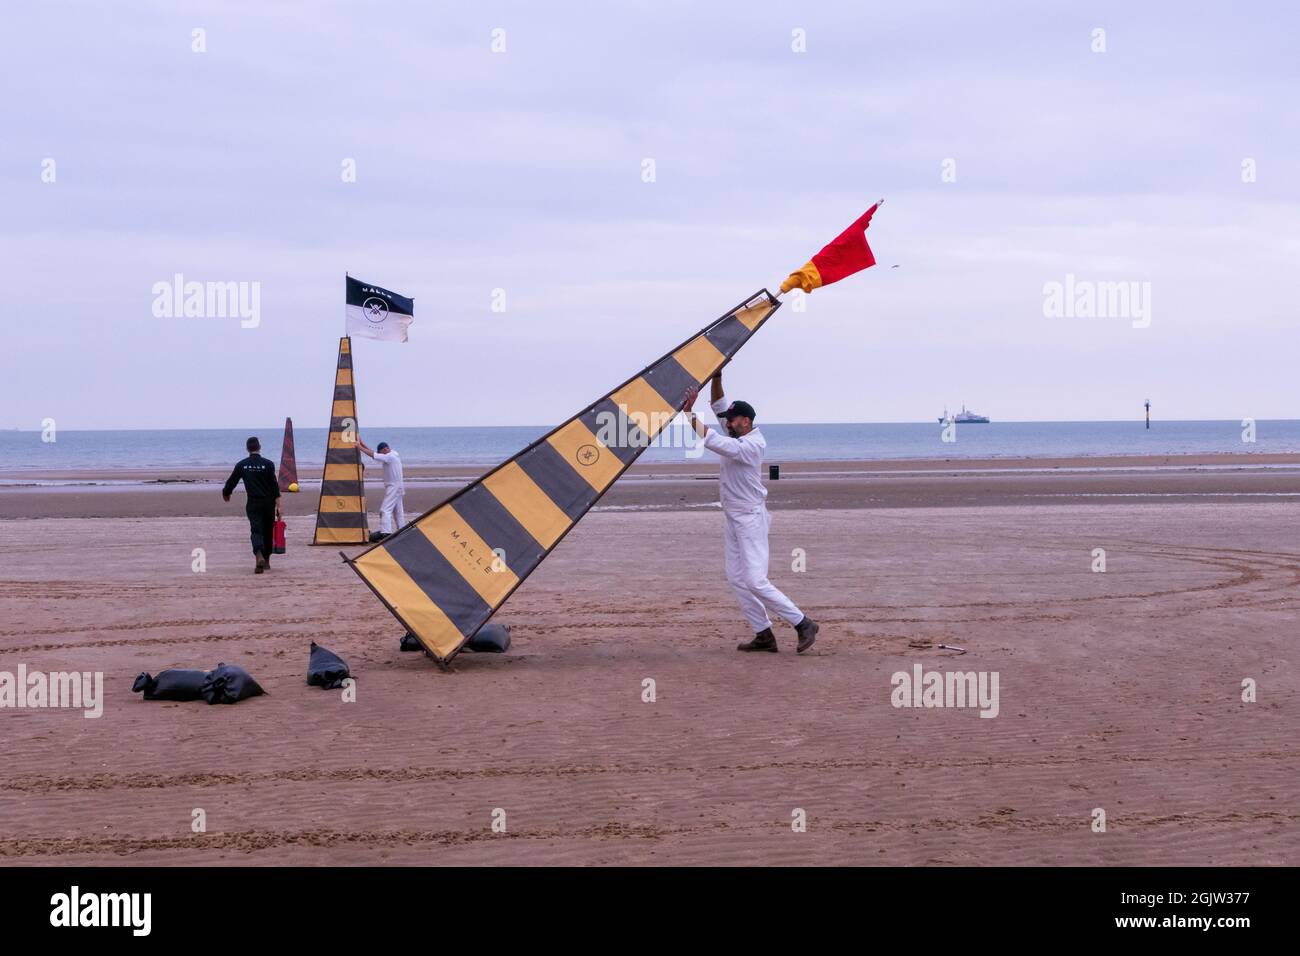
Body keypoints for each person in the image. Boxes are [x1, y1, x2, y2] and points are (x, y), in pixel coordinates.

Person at [681, 372, 819, 654]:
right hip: (733, 517)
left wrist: (688, 413)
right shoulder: (736, 429)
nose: (727, 423)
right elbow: (719, 403)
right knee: (736, 578)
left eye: (732, 421)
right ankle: (764, 634)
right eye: (728, 420)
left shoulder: (751, 445)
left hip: (751, 518)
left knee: (755, 580)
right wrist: (717, 374)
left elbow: (713, 440)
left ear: (745, 421)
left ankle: (803, 623)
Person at [222, 436, 281, 574]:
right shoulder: (268, 464)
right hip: (268, 503)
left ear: (247, 449)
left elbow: (232, 481)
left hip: (253, 502)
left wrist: (226, 493)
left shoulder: (242, 465)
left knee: (256, 530)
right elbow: (274, 485)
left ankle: (258, 554)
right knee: (267, 531)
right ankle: (266, 561)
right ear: (259, 447)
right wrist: (279, 505)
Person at [357, 437, 404, 538]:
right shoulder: (392, 454)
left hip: (394, 487)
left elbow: (374, 455)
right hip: (397, 487)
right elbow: (375, 454)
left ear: (385, 449)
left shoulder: (390, 456)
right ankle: (402, 530)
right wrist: (362, 444)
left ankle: (386, 532)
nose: (381, 455)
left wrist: (359, 447)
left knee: (385, 510)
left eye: (381, 453)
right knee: (398, 511)